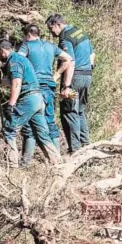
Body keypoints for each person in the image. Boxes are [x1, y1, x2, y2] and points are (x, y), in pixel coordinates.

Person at [0, 39, 60, 168]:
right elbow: (15, 80)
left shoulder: (14, 61)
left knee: (9, 130)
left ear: (2, 51)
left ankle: (11, 166)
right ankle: (57, 163)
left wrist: (11, 105)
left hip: (28, 99)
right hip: (38, 99)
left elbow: (17, 83)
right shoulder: (21, 59)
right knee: (41, 134)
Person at [18, 24, 74, 166]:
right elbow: (68, 59)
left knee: (30, 124)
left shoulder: (27, 46)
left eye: (24, 36)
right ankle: (58, 162)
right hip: (49, 88)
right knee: (50, 122)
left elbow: (18, 61)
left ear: (28, 35)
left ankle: (25, 163)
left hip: (34, 88)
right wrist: (56, 75)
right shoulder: (50, 46)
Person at [46, 14, 95, 154]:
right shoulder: (80, 32)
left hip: (74, 80)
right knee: (80, 112)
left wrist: (66, 85)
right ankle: (86, 146)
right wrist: (88, 69)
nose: (51, 32)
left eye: (51, 28)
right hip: (86, 77)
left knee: (69, 112)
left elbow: (70, 61)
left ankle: (75, 150)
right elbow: (92, 55)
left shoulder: (65, 37)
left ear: (58, 25)